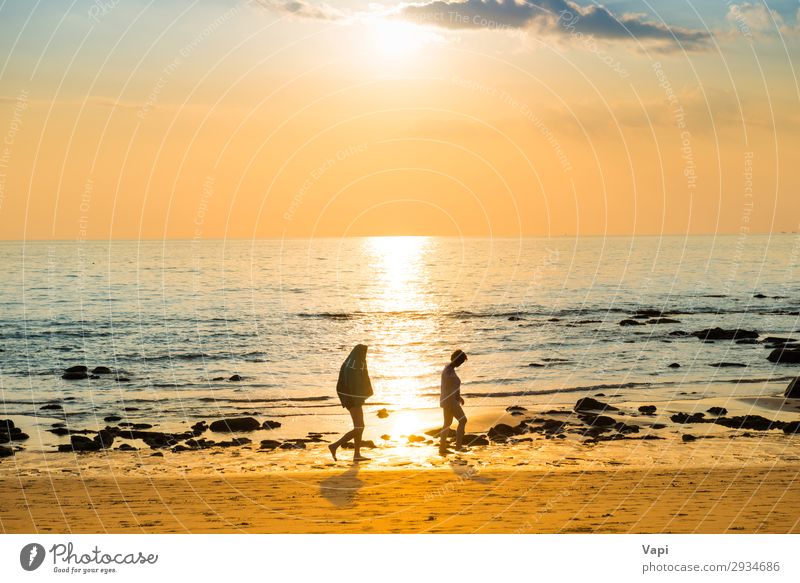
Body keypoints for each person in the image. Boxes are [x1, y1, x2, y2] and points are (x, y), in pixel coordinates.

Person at [329, 344, 374, 462]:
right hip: (352, 400)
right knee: (359, 427)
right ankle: (335, 446)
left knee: (359, 427)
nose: (365, 356)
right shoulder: (354, 365)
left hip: (353, 399)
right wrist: (356, 398)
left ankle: (357, 455)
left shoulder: (350, 363)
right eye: (364, 353)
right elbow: (353, 383)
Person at [439, 349, 468, 454]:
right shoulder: (448, 370)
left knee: (447, 423)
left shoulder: (449, 369)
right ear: (457, 360)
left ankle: (442, 448)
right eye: (460, 361)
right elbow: (449, 386)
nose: (460, 364)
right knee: (463, 420)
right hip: (450, 401)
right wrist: (456, 397)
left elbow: (451, 387)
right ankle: (458, 446)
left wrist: (459, 397)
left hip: (448, 400)